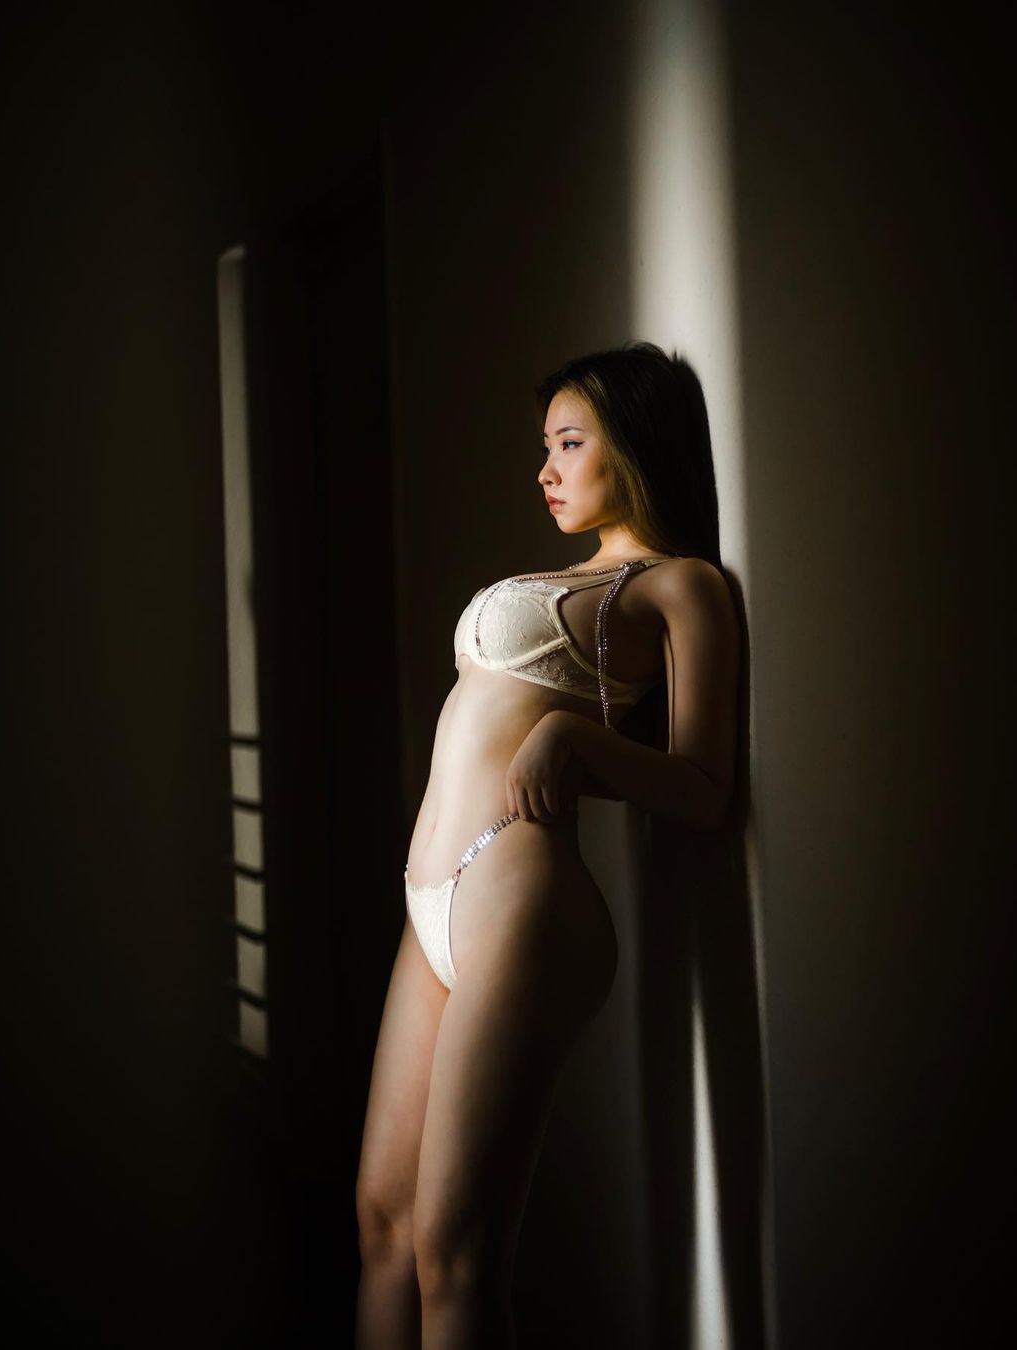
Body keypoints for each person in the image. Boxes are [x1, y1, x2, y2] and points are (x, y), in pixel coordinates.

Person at [354, 340, 741, 1349]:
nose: (545, 470)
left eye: (570, 443)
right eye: (546, 447)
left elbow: (705, 787)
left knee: (455, 1251)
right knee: (382, 1224)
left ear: (635, 444)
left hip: (518, 895)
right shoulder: (566, 575)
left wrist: (575, 738)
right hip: (433, 901)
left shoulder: (682, 586)